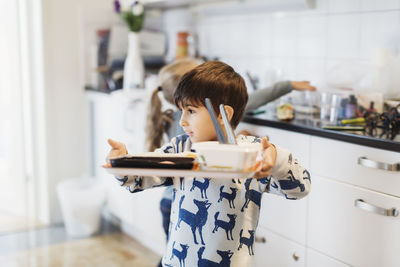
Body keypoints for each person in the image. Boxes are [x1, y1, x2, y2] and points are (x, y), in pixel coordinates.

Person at [105, 60, 311, 267]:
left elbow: (299, 188)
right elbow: (140, 178)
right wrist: (121, 161)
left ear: (224, 115)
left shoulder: (251, 154)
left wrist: (276, 158)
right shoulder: (180, 148)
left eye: (191, 111)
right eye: (181, 111)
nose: (182, 121)